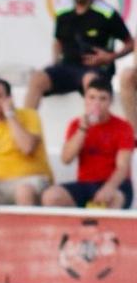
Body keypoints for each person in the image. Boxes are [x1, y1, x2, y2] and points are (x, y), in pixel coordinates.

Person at [25, 0, 133, 110]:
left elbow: (130, 43)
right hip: (66, 66)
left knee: (93, 86)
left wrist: (110, 57)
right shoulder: (63, 12)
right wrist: (55, 62)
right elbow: (58, 41)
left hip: (95, 69)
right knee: (37, 79)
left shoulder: (106, 13)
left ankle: (90, 127)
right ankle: (26, 129)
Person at [41, 78, 134, 209]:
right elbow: (66, 159)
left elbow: (123, 167)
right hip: (86, 184)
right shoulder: (76, 124)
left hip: (116, 185)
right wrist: (83, 129)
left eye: (102, 99)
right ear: (85, 99)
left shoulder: (123, 127)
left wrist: (109, 188)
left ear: (110, 102)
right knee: (51, 196)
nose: (96, 103)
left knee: (113, 198)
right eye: (92, 97)